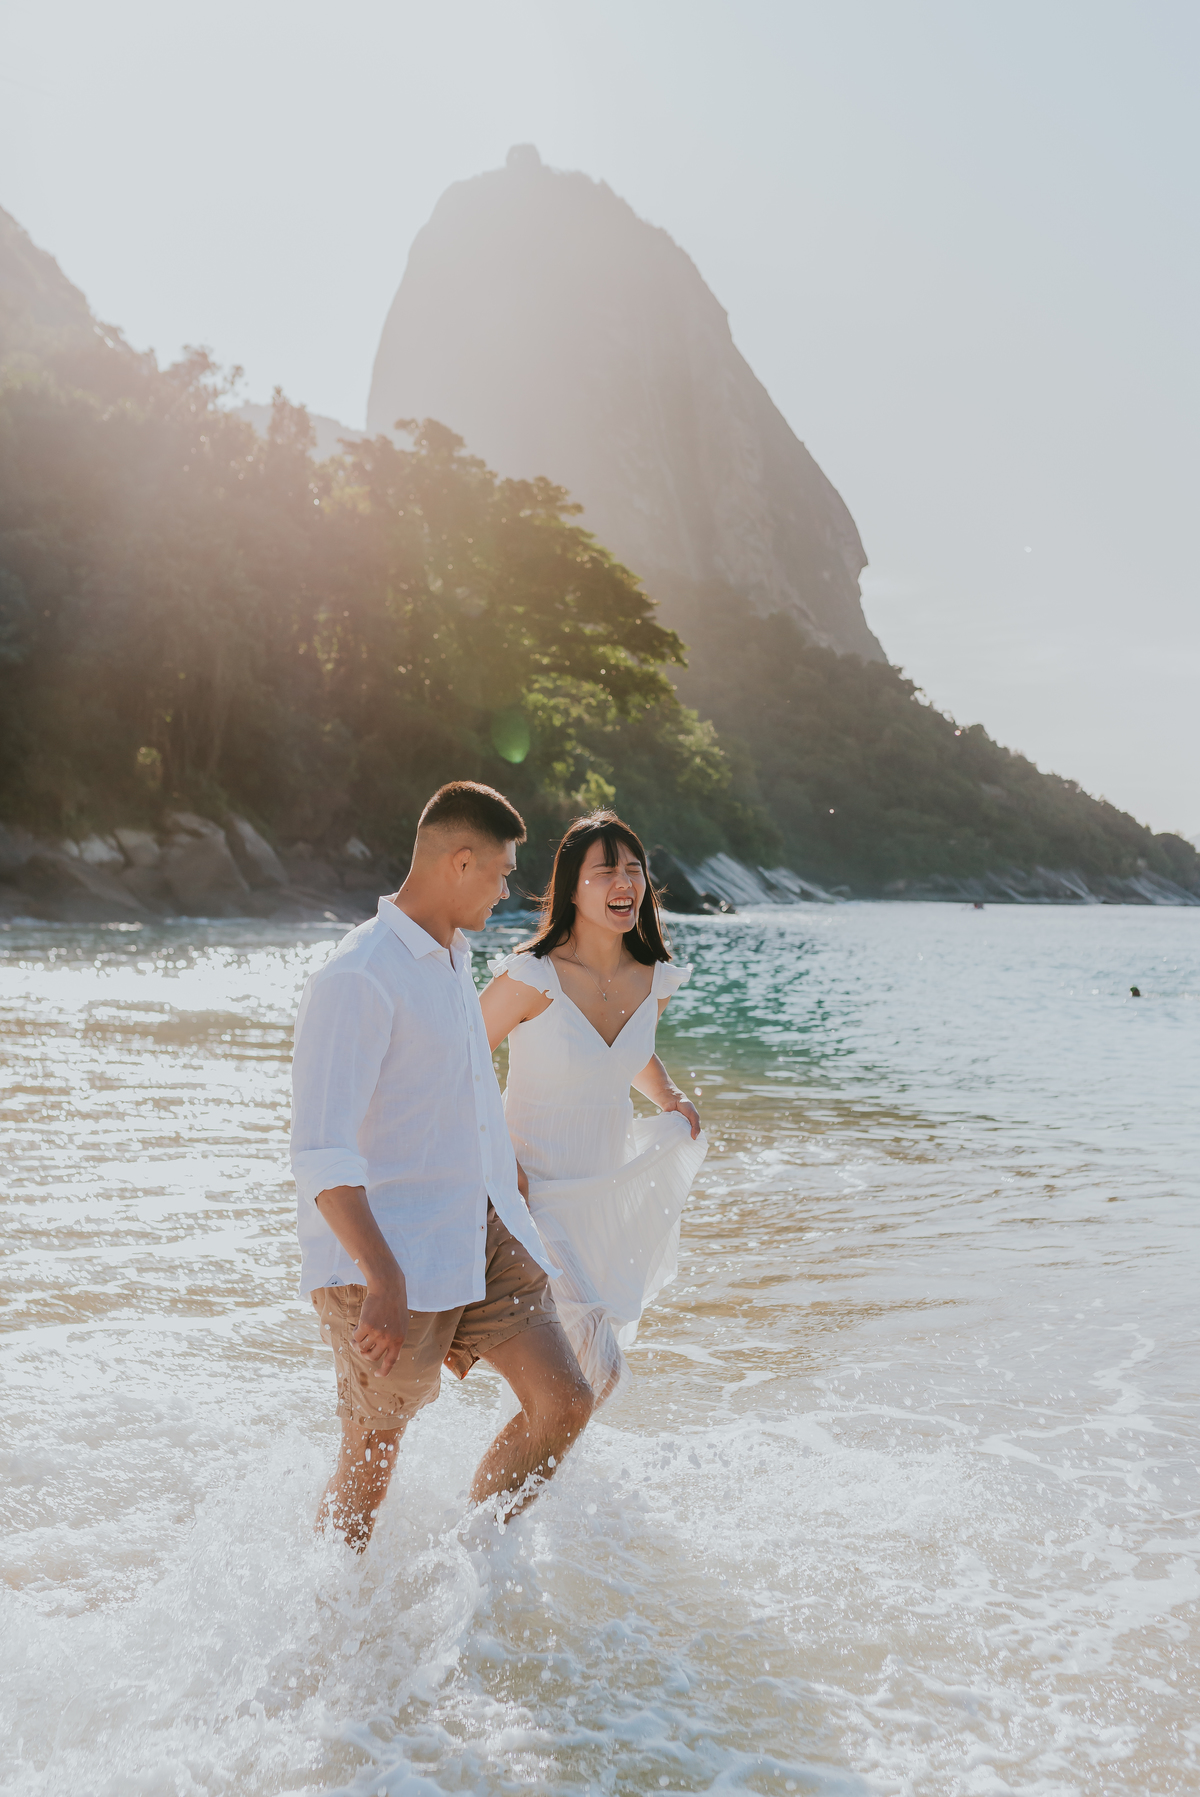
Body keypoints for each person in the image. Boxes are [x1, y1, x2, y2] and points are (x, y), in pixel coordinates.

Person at [291, 782, 594, 1550]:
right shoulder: (359, 975)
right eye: (499, 873)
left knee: (563, 1401)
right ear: (460, 863)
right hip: (386, 1257)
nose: (507, 891)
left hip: (478, 1228)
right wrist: (385, 1278)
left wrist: (508, 1176)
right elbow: (321, 1153)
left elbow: (453, 1090)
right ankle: (330, 1628)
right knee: (370, 1464)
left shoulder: (455, 956)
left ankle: (470, 1567)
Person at [479, 811, 707, 1404]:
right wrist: (499, 1163)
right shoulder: (534, 975)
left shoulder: (651, 979)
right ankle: (508, 1497)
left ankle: (510, 1496)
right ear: (572, 887)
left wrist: (669, 1097)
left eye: (634, 868)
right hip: (529, 1199)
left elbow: (624, 1054)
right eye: (606, 870)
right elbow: (460, 1061)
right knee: (597, 1373)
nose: (624, 881)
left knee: (571, 1385)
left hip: (598, 1198)